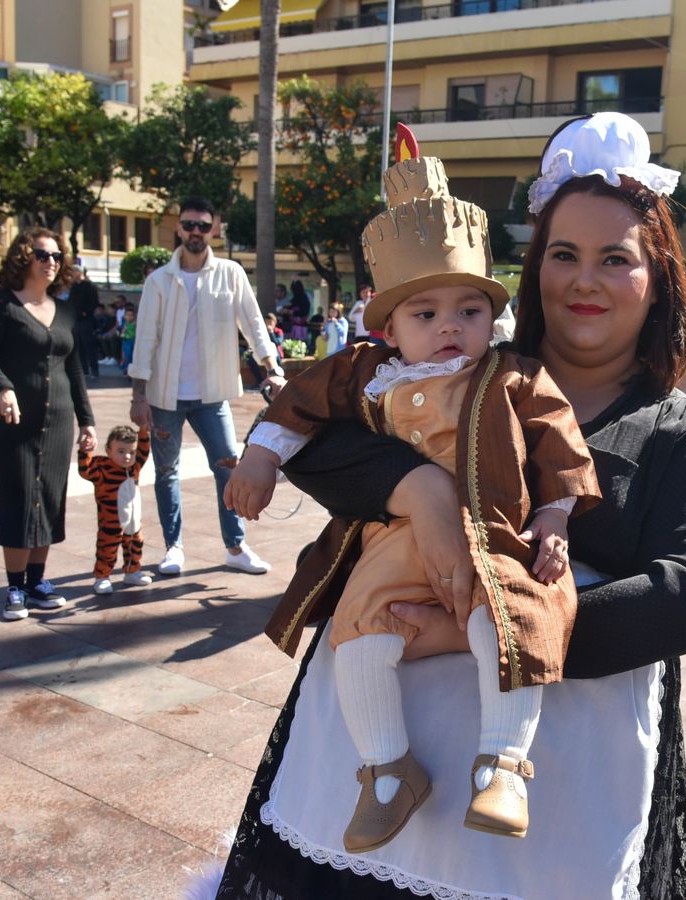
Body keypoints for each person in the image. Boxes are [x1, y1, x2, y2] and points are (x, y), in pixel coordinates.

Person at [206, 111, 686, 900]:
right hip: (372, 763)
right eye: (563, 254)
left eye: (614, 259)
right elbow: (317, 441)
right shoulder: (435, 367)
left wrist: (470, 628)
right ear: (533, 271)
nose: (584, 280)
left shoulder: (682, 429)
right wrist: (420, 490)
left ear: (658, 277)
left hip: (561, 795)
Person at [231, 156, 600, 852]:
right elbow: (299, 403)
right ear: (390, 327)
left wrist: (553, 519)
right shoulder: (364, 373)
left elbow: (560, 445)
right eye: (425, 313)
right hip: (389, 545)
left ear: (494, 315)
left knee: (513, 618)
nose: (450, 326)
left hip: (493, 539)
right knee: (360, 636)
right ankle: (387, 771)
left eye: (470, 309)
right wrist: (260, 455)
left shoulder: (513, 375)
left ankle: (503, 764)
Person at [127, 197, 284, 577]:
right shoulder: (159, 281)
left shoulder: (230, 273)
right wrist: (138, 395)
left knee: (229, 466)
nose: (195, 232)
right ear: (179, 228)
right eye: (188, 225)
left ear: (214, 229)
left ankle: (235, 545)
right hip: (166, 395)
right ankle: (174, 547)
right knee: (167, 472)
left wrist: (272, 367)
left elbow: (253, 324)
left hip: (212, 395)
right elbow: (144, 339)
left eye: (202, 225)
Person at [0, 228, 95, 621]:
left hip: (57, 423)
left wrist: (87, 421)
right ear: (24, 256)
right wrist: (2, 387)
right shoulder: (1, 305)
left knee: (50, 500)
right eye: (42, 254)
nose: (51, 262)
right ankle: (14, 585)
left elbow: (74, 369)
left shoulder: (65, 310)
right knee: (20, 498)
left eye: (57, 256)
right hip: (12, 425)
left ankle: (37, 581)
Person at [78, 424, 154, 594]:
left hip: (133, 522)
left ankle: (132, 571)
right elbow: (85, 470)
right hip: (111, 523)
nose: (127, 456)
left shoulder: (135, 467)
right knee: (107, 550)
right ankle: (102, 577)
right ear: (108, 450)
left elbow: (144, 450)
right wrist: (85, 451)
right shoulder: (103, 468)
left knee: (135, 545)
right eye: (121, 451)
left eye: (131, 452)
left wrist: (143, 431)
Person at [72, 266, 101, 378]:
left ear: (79, 272)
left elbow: (94, 303)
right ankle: (84, 370)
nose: (72, 274)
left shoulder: (90, 286)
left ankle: (94, 370)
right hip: (75, 320)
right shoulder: (74, 287)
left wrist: (85, 312)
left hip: (86, 320)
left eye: (74, 271)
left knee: (89, 345)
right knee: (79, 346)